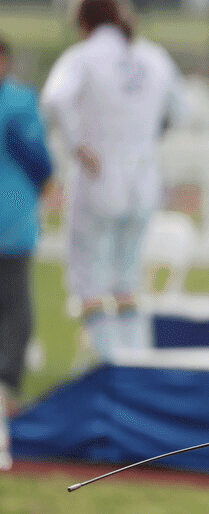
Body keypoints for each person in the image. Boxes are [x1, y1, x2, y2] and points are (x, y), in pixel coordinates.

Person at [40, 0, 189, 361]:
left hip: (98, 178)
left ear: (85, 22)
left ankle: (111, 362)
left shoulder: (83, 57)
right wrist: (147, 138)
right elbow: (180, 110)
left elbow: (53, 100)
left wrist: (78, 145)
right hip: (143, 179)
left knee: (88, 279)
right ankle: (135, 359)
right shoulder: (153, 57)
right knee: (127, 278)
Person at [0, 36, 53, 470]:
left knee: (14, 304)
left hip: (11, 219)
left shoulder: (18, 101)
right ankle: (6, 384)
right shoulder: (18, 104)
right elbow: (40, 159)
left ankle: (7, 382)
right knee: (16, 308)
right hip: (12, 216)